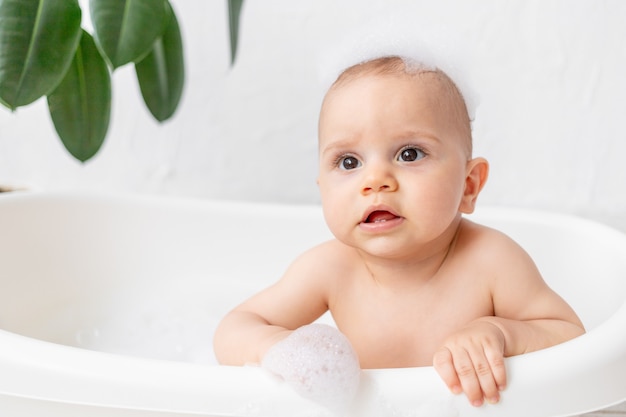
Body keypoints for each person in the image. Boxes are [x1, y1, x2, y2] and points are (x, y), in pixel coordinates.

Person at [213, 55, 585, 408]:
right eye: (348, 162)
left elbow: (571, 338)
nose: (375, 180)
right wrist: (280, 349)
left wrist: (501, 333)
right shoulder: (330, 268)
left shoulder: (491, 260)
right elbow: (233, 330)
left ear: (469, 186)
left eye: (409, 154)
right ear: (321, 187)